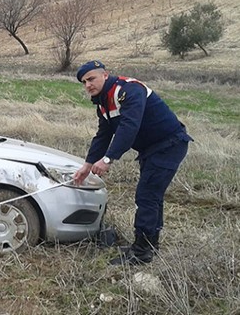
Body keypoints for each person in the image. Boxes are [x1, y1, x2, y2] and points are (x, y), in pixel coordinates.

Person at [72, 60, 193, 266]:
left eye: (91, 79)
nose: (88, 85)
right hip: (151, 149)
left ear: (105, 75)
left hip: (169, 145)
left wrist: (108, 159)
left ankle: (141, 252)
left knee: (146, 196)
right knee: (152, 197)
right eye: (84, 82)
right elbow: (103, 134)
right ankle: (149, 244)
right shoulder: (103, 102)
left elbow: (130, 126)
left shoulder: (129, 90)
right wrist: (88, 164)